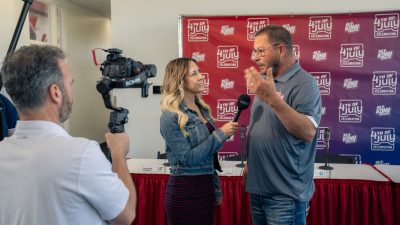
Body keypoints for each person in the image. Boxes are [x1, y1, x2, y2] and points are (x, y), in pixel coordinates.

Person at [0, 45, 136, 225]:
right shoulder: (81, 154)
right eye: (70, 84)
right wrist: (119, 154)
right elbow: (125, 215)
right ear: (55, 92)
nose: (71, 92)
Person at [243, 25, 322, 225]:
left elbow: (308, 131)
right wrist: (251, 163)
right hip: (259, 191)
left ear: (281, 50)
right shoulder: (265, 82)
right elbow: (264, 129)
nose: (255, 57)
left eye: (261, 51)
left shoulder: (305, 83)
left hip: (285, 198)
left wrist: (273, 100)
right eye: (254, 51)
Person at [160, 57, 238, 225]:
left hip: (206, 190)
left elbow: (209, 155)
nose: (201, 76)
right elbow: (188, 158)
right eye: (194, 73)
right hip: (184, 193)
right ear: (180, 80)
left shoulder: (202, 109)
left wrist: (215, 188)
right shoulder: (170, 116)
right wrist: (220, 135)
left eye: (199, 72)